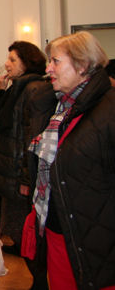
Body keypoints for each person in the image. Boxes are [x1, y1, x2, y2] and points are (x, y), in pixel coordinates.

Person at [24, 31, 115, 290]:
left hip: (97, 241)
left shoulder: (109, 108)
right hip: (58, 231)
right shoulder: (58, 108)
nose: (48, 68)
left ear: (82, 65)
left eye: (55, 61)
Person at [0, 42, 56, 261]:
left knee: (27, 233)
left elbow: (32, 136)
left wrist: (27, 177)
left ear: (27, 62)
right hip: (11, 168)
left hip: (19, 170)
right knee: (18, 231)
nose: (7, 64)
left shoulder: (34, 89)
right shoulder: (17, 87)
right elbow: (0, 117)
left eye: (13, 60)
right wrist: (0, 88)